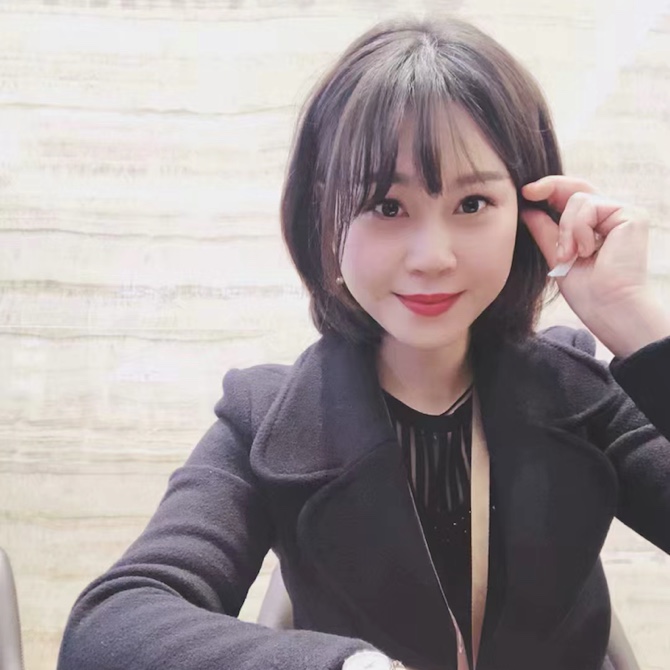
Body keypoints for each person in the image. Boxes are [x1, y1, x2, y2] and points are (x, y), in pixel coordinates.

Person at [57, 16, 670, 670]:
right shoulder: (269, 416)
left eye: (471, 205)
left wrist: (635, 321)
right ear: (326, 214)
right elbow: (110, 627)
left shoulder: (578, 387)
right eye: (387, 206)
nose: (431, 256)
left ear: (526, 214)